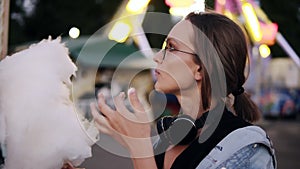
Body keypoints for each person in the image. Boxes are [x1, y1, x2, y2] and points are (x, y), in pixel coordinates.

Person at [90, 11, 277, 169]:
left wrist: (140, 148)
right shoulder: (168, 138)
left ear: (201, 68)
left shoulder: (247, 147)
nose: (156, 56)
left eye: (171, 47)